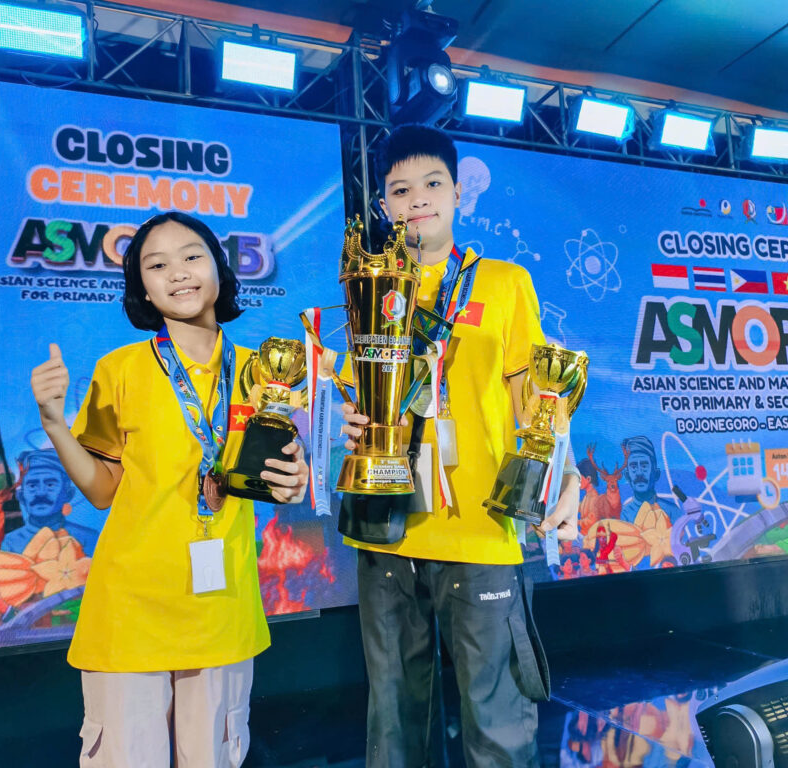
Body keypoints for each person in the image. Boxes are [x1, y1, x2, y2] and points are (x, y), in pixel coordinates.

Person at [30, 211, 309, 768]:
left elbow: (278, 478)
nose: (178, 273)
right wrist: (55, 424)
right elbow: (103, 491)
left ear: (219, 269)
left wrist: (293, 482)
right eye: (156, 265)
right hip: (132, 611)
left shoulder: (264, 373)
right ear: (142, 289)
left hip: (220, 611)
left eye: (191, 256)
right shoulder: (121, 369)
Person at [340, 124, 581, 767]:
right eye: (400, 190)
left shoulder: (503, 282)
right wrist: (351, 423)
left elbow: (538, 398)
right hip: (387, 530)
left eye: (432, 184)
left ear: (456, 195)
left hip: (482, 529)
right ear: (384, 205)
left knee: (496, 721)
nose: (417, 198)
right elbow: (360, 396)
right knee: (394, 723)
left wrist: (566, 473)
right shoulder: (371, 286)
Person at [1, 449, 100, 556]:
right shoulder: (10, 544)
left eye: (50, 485)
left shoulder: (89, 540)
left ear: (68, 494)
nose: (41, 493)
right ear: (21, 496)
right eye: (32, 485)